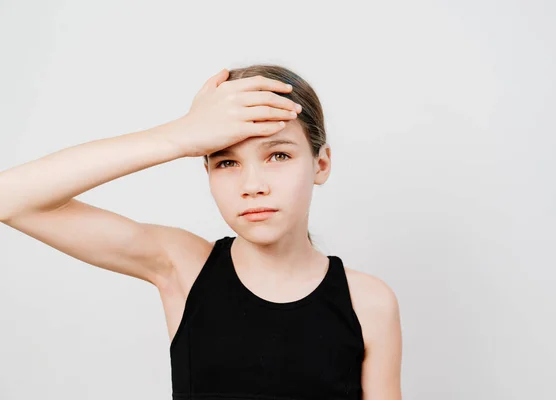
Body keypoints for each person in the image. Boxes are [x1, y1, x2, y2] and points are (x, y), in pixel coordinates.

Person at [0, 64, 403, 399]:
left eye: (278, 155)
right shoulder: (183, 267)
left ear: (321, 164)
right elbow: (8, 198)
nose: (253, 184)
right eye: (227, 162)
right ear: (206, 168)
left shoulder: (369, 303)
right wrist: (179, 136)